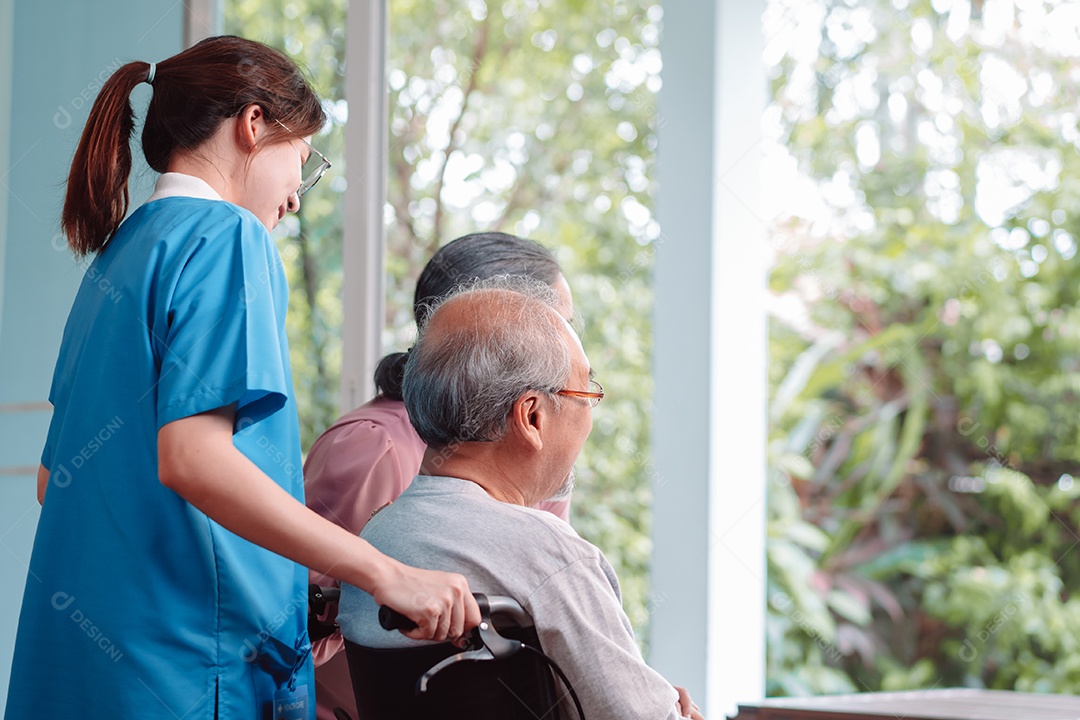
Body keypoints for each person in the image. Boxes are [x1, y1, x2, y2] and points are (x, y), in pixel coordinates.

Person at [4, 36, 478, 720]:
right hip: (189, 673)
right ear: (253, 125)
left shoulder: (118, 259)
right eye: (302, 160)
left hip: (88, 674)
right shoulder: (227, 237)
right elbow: (194, 460)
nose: (294, 196)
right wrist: (387, 574)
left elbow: (58, 483)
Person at [337, 278, 705, 720]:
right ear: (531, 416)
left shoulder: (375, 537)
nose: (590, 418)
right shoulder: (544, 552)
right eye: (586, 394)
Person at [304, 231, 574, 720]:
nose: (572, 352)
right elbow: (293, 623)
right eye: (557, 327)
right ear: (485, 328)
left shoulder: (532, 448)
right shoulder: (374, 448)